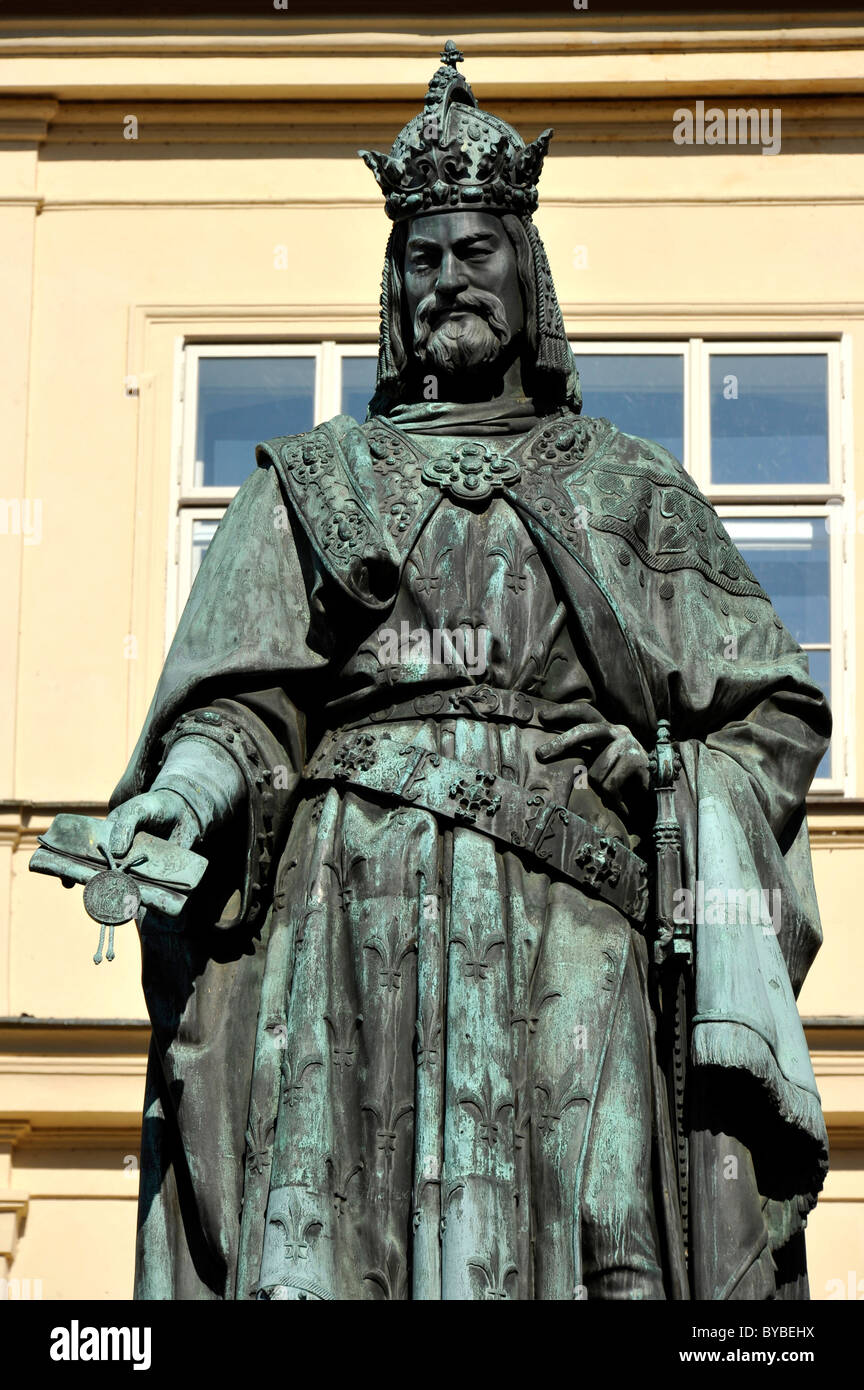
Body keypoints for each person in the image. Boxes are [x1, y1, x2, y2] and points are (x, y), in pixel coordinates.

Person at [102, 44, 830, 1300]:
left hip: (574, 917)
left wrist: (666, 768)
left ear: (524, 268)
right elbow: (244, 703)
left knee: (604, 1239)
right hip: (346, 914)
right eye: (421, 257)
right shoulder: (311, 481)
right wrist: (191, 792)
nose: (446, 279)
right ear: (397, 286)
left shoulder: (630, 485)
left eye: (472, 249)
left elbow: (771, 707)